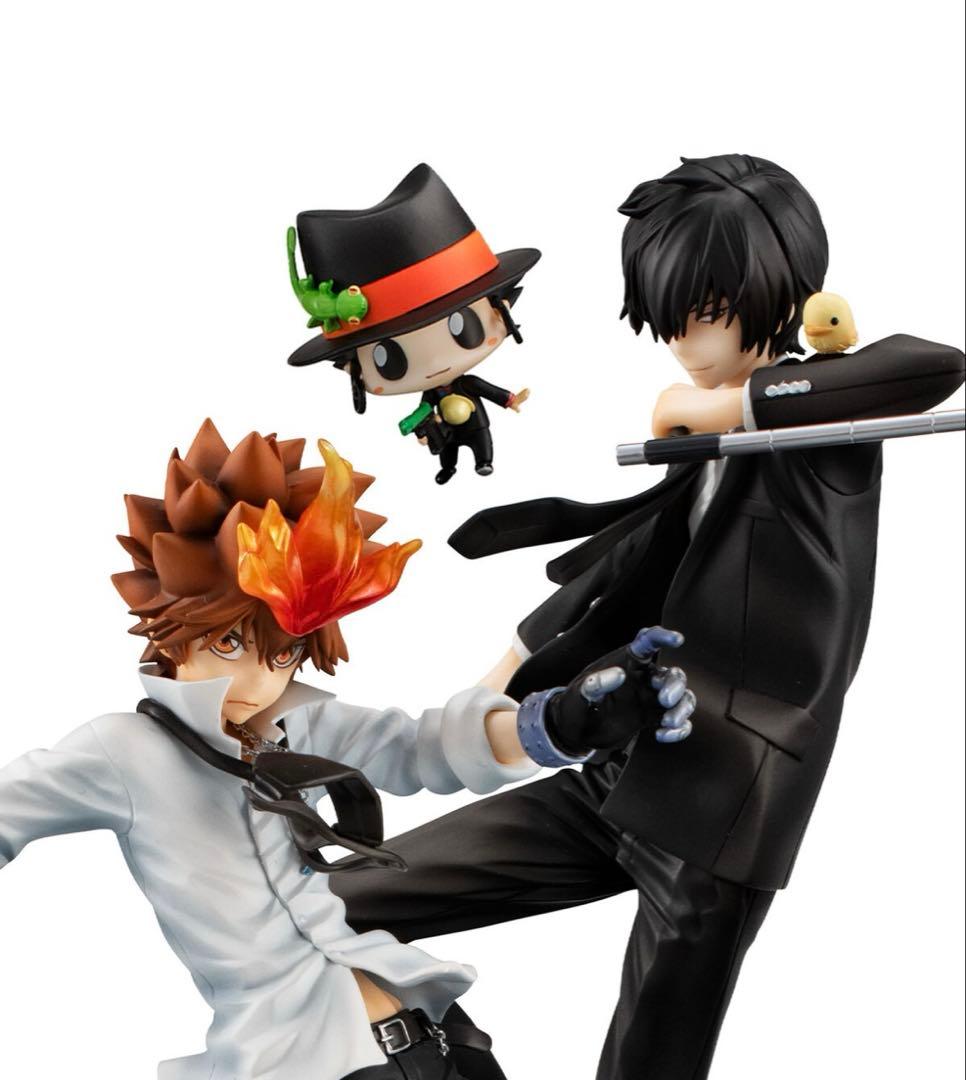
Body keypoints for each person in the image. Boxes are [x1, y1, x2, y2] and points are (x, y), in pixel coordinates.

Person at [332, 154, 966, 1079]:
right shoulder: (701, 446)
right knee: (335, 903)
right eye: (669, 315)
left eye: (703, 310)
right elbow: (626, 566)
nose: (681, 339)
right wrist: (505, 672)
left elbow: (935, 366)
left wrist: (731, 403)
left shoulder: (819, 439)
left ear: (777, 287)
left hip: (725, 806)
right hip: (620, 767)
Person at [286, 163, 538, 484]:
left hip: (475, 423)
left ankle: (482, 460)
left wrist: (511, 400)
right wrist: (422, 431)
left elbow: (488, 391)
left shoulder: (467, 384)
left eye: (461, 328)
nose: (434, 363)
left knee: (479, 439)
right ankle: (448, 466)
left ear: (502, 307)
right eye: (388, 359)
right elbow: (423, 414)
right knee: (446, 447)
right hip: (447, 427)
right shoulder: (430, 398)